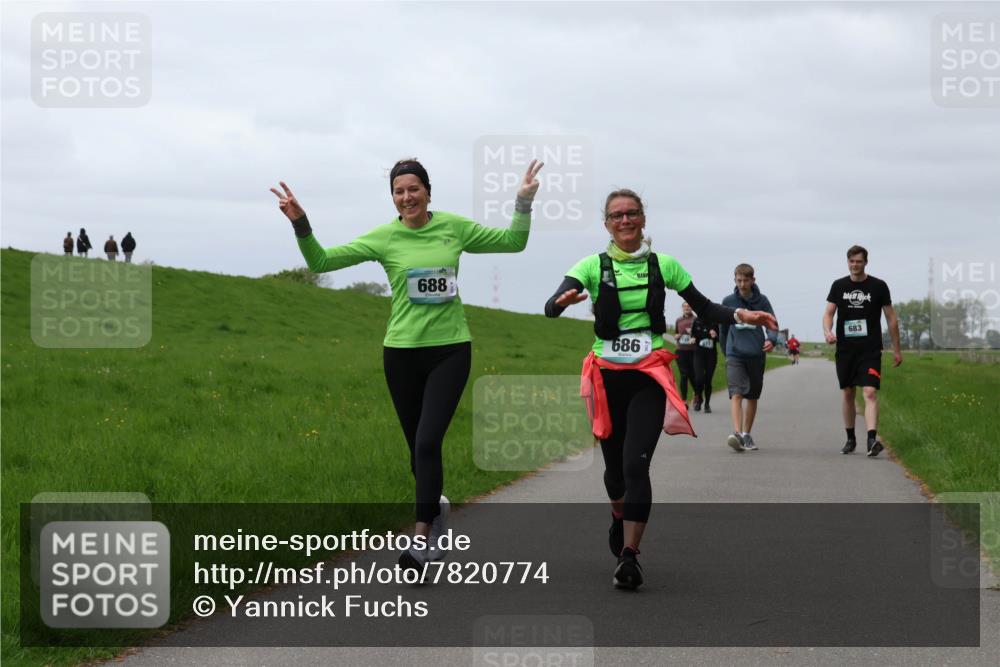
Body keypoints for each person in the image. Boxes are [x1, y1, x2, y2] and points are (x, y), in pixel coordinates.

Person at [271, 158, 543, 571]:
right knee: (416, 451)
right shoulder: (385, 237)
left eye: (413, 188)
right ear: (393, 198)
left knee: (428, 441)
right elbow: (322, 262)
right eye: (399, 191)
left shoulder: (454, 227)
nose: (406, 196)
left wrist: (522, 203)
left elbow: (512, 242)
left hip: (450, 349)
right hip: (400, 353)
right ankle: (435, 514)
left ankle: (419, 538)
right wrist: (300, 223)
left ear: (428, 192)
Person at [544, 189, 777, 590]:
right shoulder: (591, 265)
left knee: (637, 466)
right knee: (614, 475)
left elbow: (705, 307)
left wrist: (742, 315)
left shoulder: (663, 264)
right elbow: (553, 302)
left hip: (648, 376)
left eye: (632, 213)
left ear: (643, 220)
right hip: (606, 378)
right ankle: (619, 517)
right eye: (617, 215)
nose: (625, 221)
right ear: (607, 224)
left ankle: (630, 556)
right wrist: (560, 302)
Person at [823, 245, 902, 457]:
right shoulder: (838, 286)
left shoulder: (878, 286)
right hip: (846, 349)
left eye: (859, 261)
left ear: (866, 262)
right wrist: (827, 331)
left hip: (870, 349)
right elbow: (829, 312)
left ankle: (871, 440)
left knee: (869, 391)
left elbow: (891, 318)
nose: (855, 264)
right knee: (848, 392)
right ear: (847, 262)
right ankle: (850, 438)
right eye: (851, 261)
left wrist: (897, 349)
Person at [719, 264, 779, 453]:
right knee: (736, 393)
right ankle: (736, 433)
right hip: (735, 354)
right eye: (739, 280)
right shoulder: (728, 301)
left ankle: (746, 434)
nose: (742, 284)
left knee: (752, 395)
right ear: (734, 280)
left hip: (756, 353)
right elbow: (723, 329)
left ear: (753, 280)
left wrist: (771, 339)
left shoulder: (762, 301)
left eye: (746, 280)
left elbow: (772, 323)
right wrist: (725, 350)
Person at [691, 312, 719, 413]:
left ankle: (707, 404)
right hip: (699, 354)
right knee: (699, 378)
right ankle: (698, 398)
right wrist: (693, 338)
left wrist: (715, 335)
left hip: (711, 355)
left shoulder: (715, 322)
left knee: (708, 380)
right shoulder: (697, 321)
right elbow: (693, 334)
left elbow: (720, 338)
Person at [673, 302, 697, 408]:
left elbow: (700, 333)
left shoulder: (696, 319)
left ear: (692, 308)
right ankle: (683, 400)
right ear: (682, 308)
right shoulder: (678, 320)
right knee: (684, 375)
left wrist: (695, 336)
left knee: (693, 375)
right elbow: (676, 333)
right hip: (681, 350)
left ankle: (696, 394)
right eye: (685, 306)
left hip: (693, 351)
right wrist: (676, 336)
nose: (687, 308)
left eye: (689, 306)